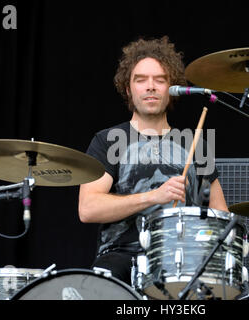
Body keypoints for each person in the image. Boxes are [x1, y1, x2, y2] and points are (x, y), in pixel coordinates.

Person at [78, 36, 228, 286]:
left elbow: (220, 213)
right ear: (128, 89)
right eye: (141, 80)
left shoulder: (194, 144)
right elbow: (88, 208)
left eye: (160, 80)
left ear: (172, 89)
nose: (151, 87)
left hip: (183, 258)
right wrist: (153, 196)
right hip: (121, 257)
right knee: (102, 281)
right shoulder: (107, 141)